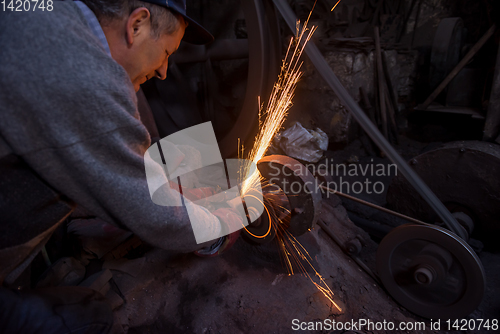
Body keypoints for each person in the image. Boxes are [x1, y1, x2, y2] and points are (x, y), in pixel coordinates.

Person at [0, 0, 242, 332]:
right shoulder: (83, 75)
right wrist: (220, 223)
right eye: (167, 53)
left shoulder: (52, 15)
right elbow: (154, 215)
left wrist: (161, 184)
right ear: (137, 24)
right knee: (90, 316)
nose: (164, 71)